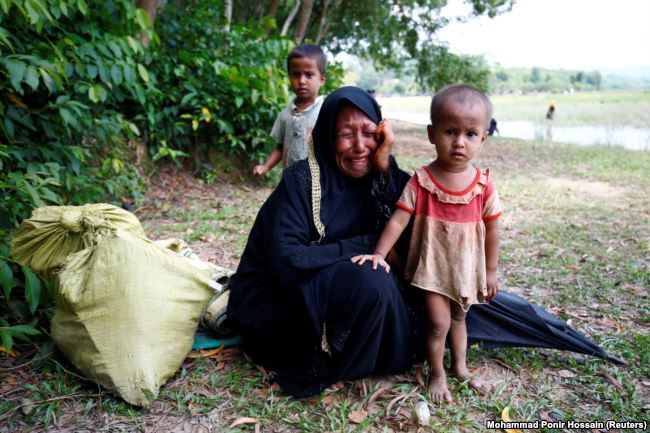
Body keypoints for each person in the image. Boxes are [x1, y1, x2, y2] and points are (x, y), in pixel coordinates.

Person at [228, 86, 415, 397]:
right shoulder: (301, 181)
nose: (359, 146)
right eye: (345, 135)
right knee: (374, 279)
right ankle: (347, 360)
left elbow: (416, 240)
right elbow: (288, 261)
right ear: (327, 136)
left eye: (369, 133)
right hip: (284, 300)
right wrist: (370, 245)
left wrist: (386, 167)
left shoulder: (384, 177)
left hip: (337, 285)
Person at [352, 84, 502, 403]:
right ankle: (437, 373)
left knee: (460, 318)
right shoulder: (421, 181)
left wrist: (490, 271)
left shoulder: (484, 186)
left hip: (466, 268)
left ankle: (460, 368)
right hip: (433, 268)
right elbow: (398, 220)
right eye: (450, 131)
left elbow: (492, 230)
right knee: (438, 321)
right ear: (432, 133)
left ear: (483, 137)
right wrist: (379, 253)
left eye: (470, 134)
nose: (459, 143)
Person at [253, 44, 327, 177]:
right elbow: (281, 147)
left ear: (322, 79)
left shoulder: (326, 111)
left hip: (318, 182)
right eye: (296, 75)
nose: (302, 81)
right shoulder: (285, 115)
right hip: (290, 181)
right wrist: (266, 166)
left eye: (309, 75)